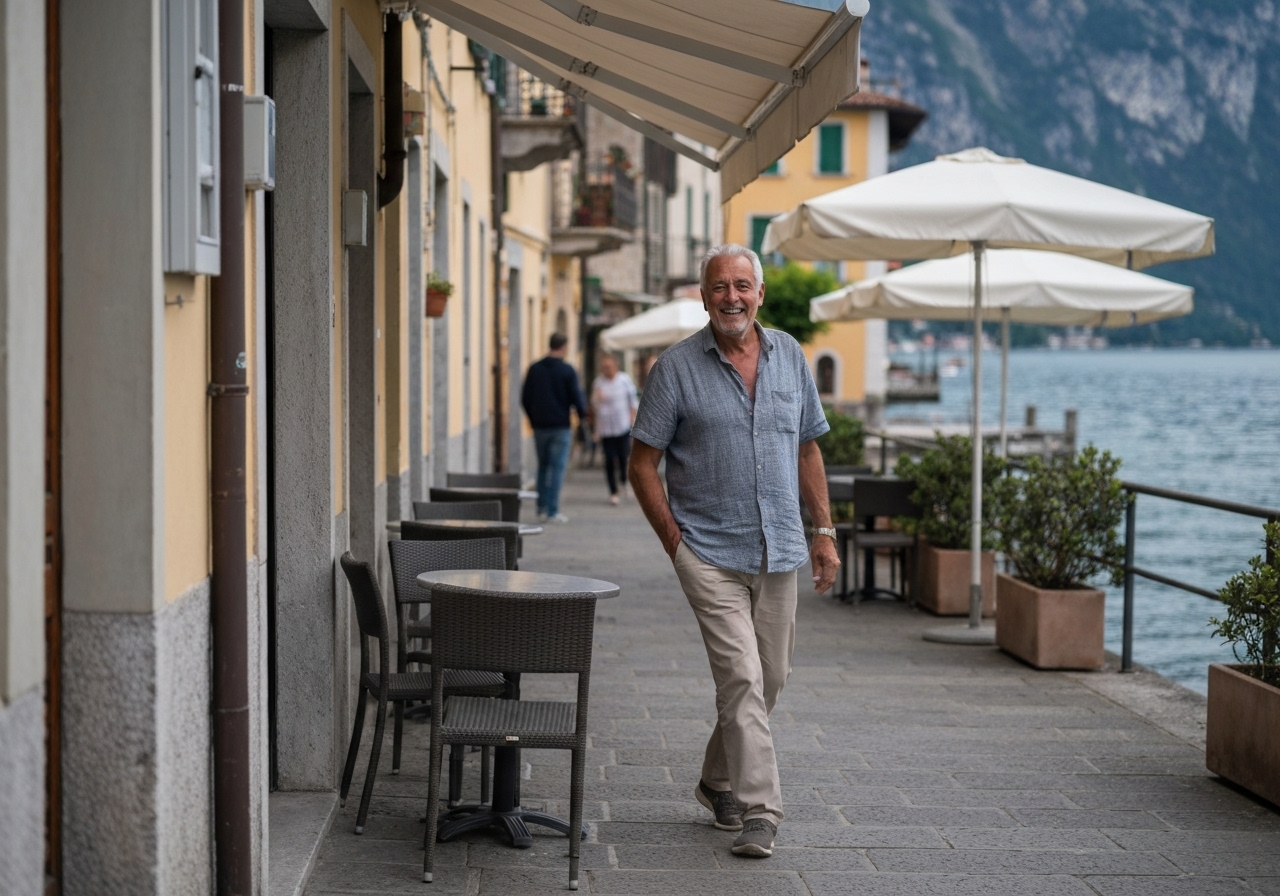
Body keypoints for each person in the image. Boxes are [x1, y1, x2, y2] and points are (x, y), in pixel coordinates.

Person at [628, 244, 840, 859]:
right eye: (719, 286)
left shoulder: (791, 357)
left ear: (760, 294)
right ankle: (761, 810)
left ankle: (715, 780)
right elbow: (643, 464)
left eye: (742, 285)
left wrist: (823, 534)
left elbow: (807, 449)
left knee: (770, 677)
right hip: (709, 553)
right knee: (742, 677)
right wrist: (676, 545)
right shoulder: (675, 369)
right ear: (703, 295)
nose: (732, 297)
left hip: (780, 549)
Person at [521, 332, 587, 523]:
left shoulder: (535, 369)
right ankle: (552, 510)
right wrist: (583, 418)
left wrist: (533, 419)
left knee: (542, 467)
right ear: (564, 347)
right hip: (560, 426)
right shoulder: (567, 370)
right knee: (557, 469)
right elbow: (577, 398)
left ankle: (541, 507)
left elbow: (525, 398)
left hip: (540, 427)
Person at [590, 353, 638, 505]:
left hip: (622, 426)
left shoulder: (624, 380)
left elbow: (632, 401)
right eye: (604, 367)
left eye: (609, 367)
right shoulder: (598, 383)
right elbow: (593, 406)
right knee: (609, 460)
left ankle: (624, 481)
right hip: (605, 428)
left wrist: (633, 420)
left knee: (623, 457)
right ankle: (613, 491)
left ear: (616, 366)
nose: (606, 369)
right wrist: (596, 398)